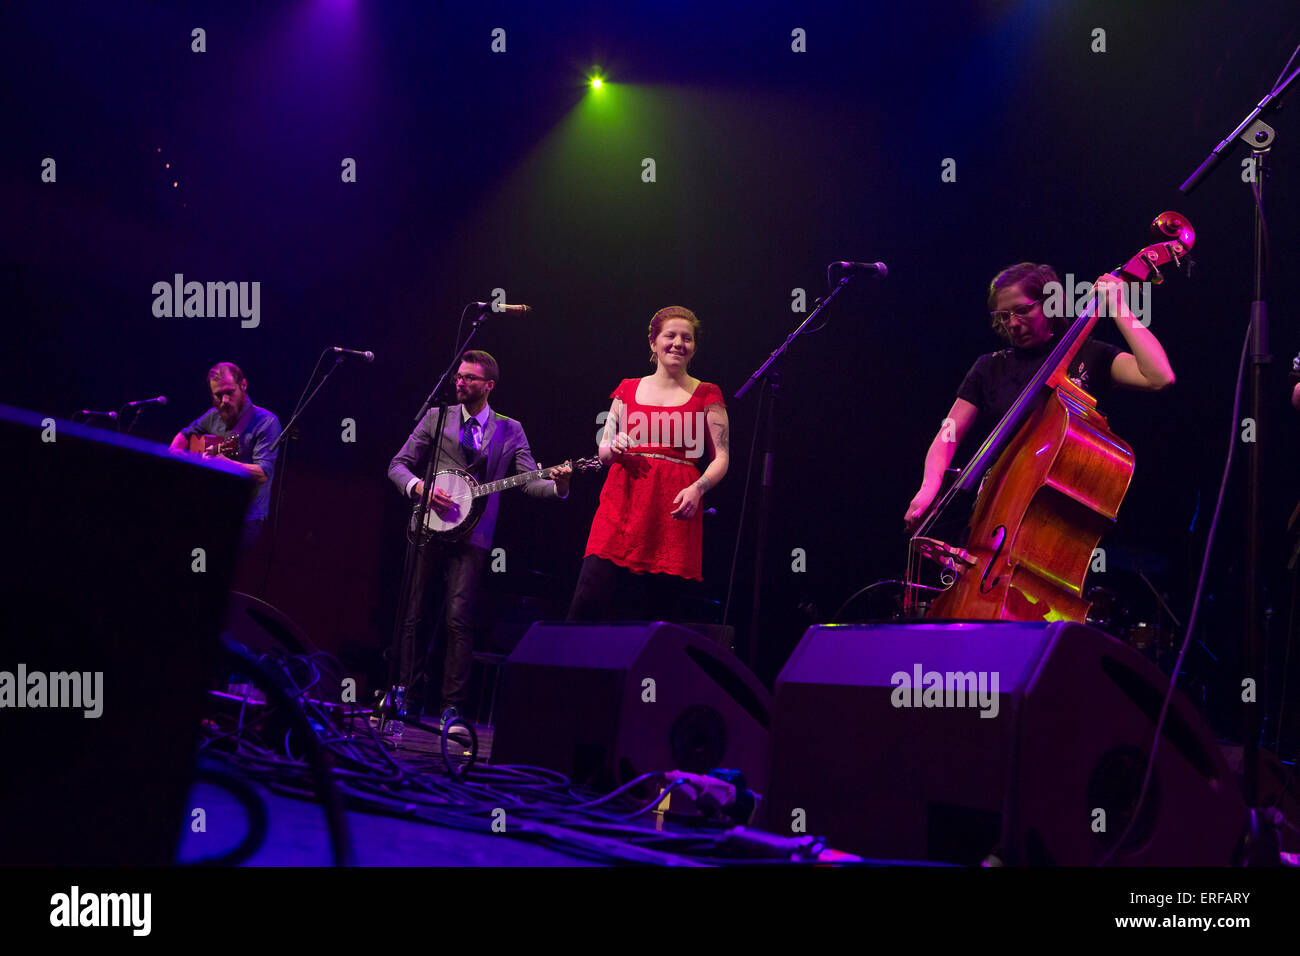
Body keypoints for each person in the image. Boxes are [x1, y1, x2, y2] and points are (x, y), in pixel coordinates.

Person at [904, 262, 1175, 532]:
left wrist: (1119, 308)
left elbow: (1159, 376)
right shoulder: (989, 367)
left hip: (1058, 520)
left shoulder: (1090, 355)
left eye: (1022, 311)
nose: (1012, 324)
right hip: (993, 511)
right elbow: (949, 433)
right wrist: (929, 486)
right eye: (1004, 315)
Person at [388, 350, 571, 729]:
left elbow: (529, 482)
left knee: (459, 620)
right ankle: (404, 691)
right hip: (428, 526)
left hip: (475, 535)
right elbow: (397, 465)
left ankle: (452, 707)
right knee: (414, 613)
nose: (460, 382)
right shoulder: (437, 418)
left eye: (470, 378)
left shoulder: (510, 429)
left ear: (489, 385)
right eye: (459, 375)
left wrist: (558, 486)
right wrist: (419, 487)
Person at [567, 306, 730, 621]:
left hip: (672, 504)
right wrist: (613, 446)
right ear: (653, 342)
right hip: (623, 499)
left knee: (657, 608)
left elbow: (721, 456)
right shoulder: (627, 388)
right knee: (591, 596)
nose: (678, 343)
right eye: (670, 335)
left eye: (687, 337)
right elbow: (603, 451)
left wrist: (698, 489)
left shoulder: (707, 393)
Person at [168, 361, 282, 552]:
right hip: (212, 508)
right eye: (219, 395)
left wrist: (226, 464)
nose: (225, 400)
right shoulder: (213, 416)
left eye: (230, 392)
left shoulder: (266, 422)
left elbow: (263, 473)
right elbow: (186, 433)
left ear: (243, 385)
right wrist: (175, 452)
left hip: (246, 517)